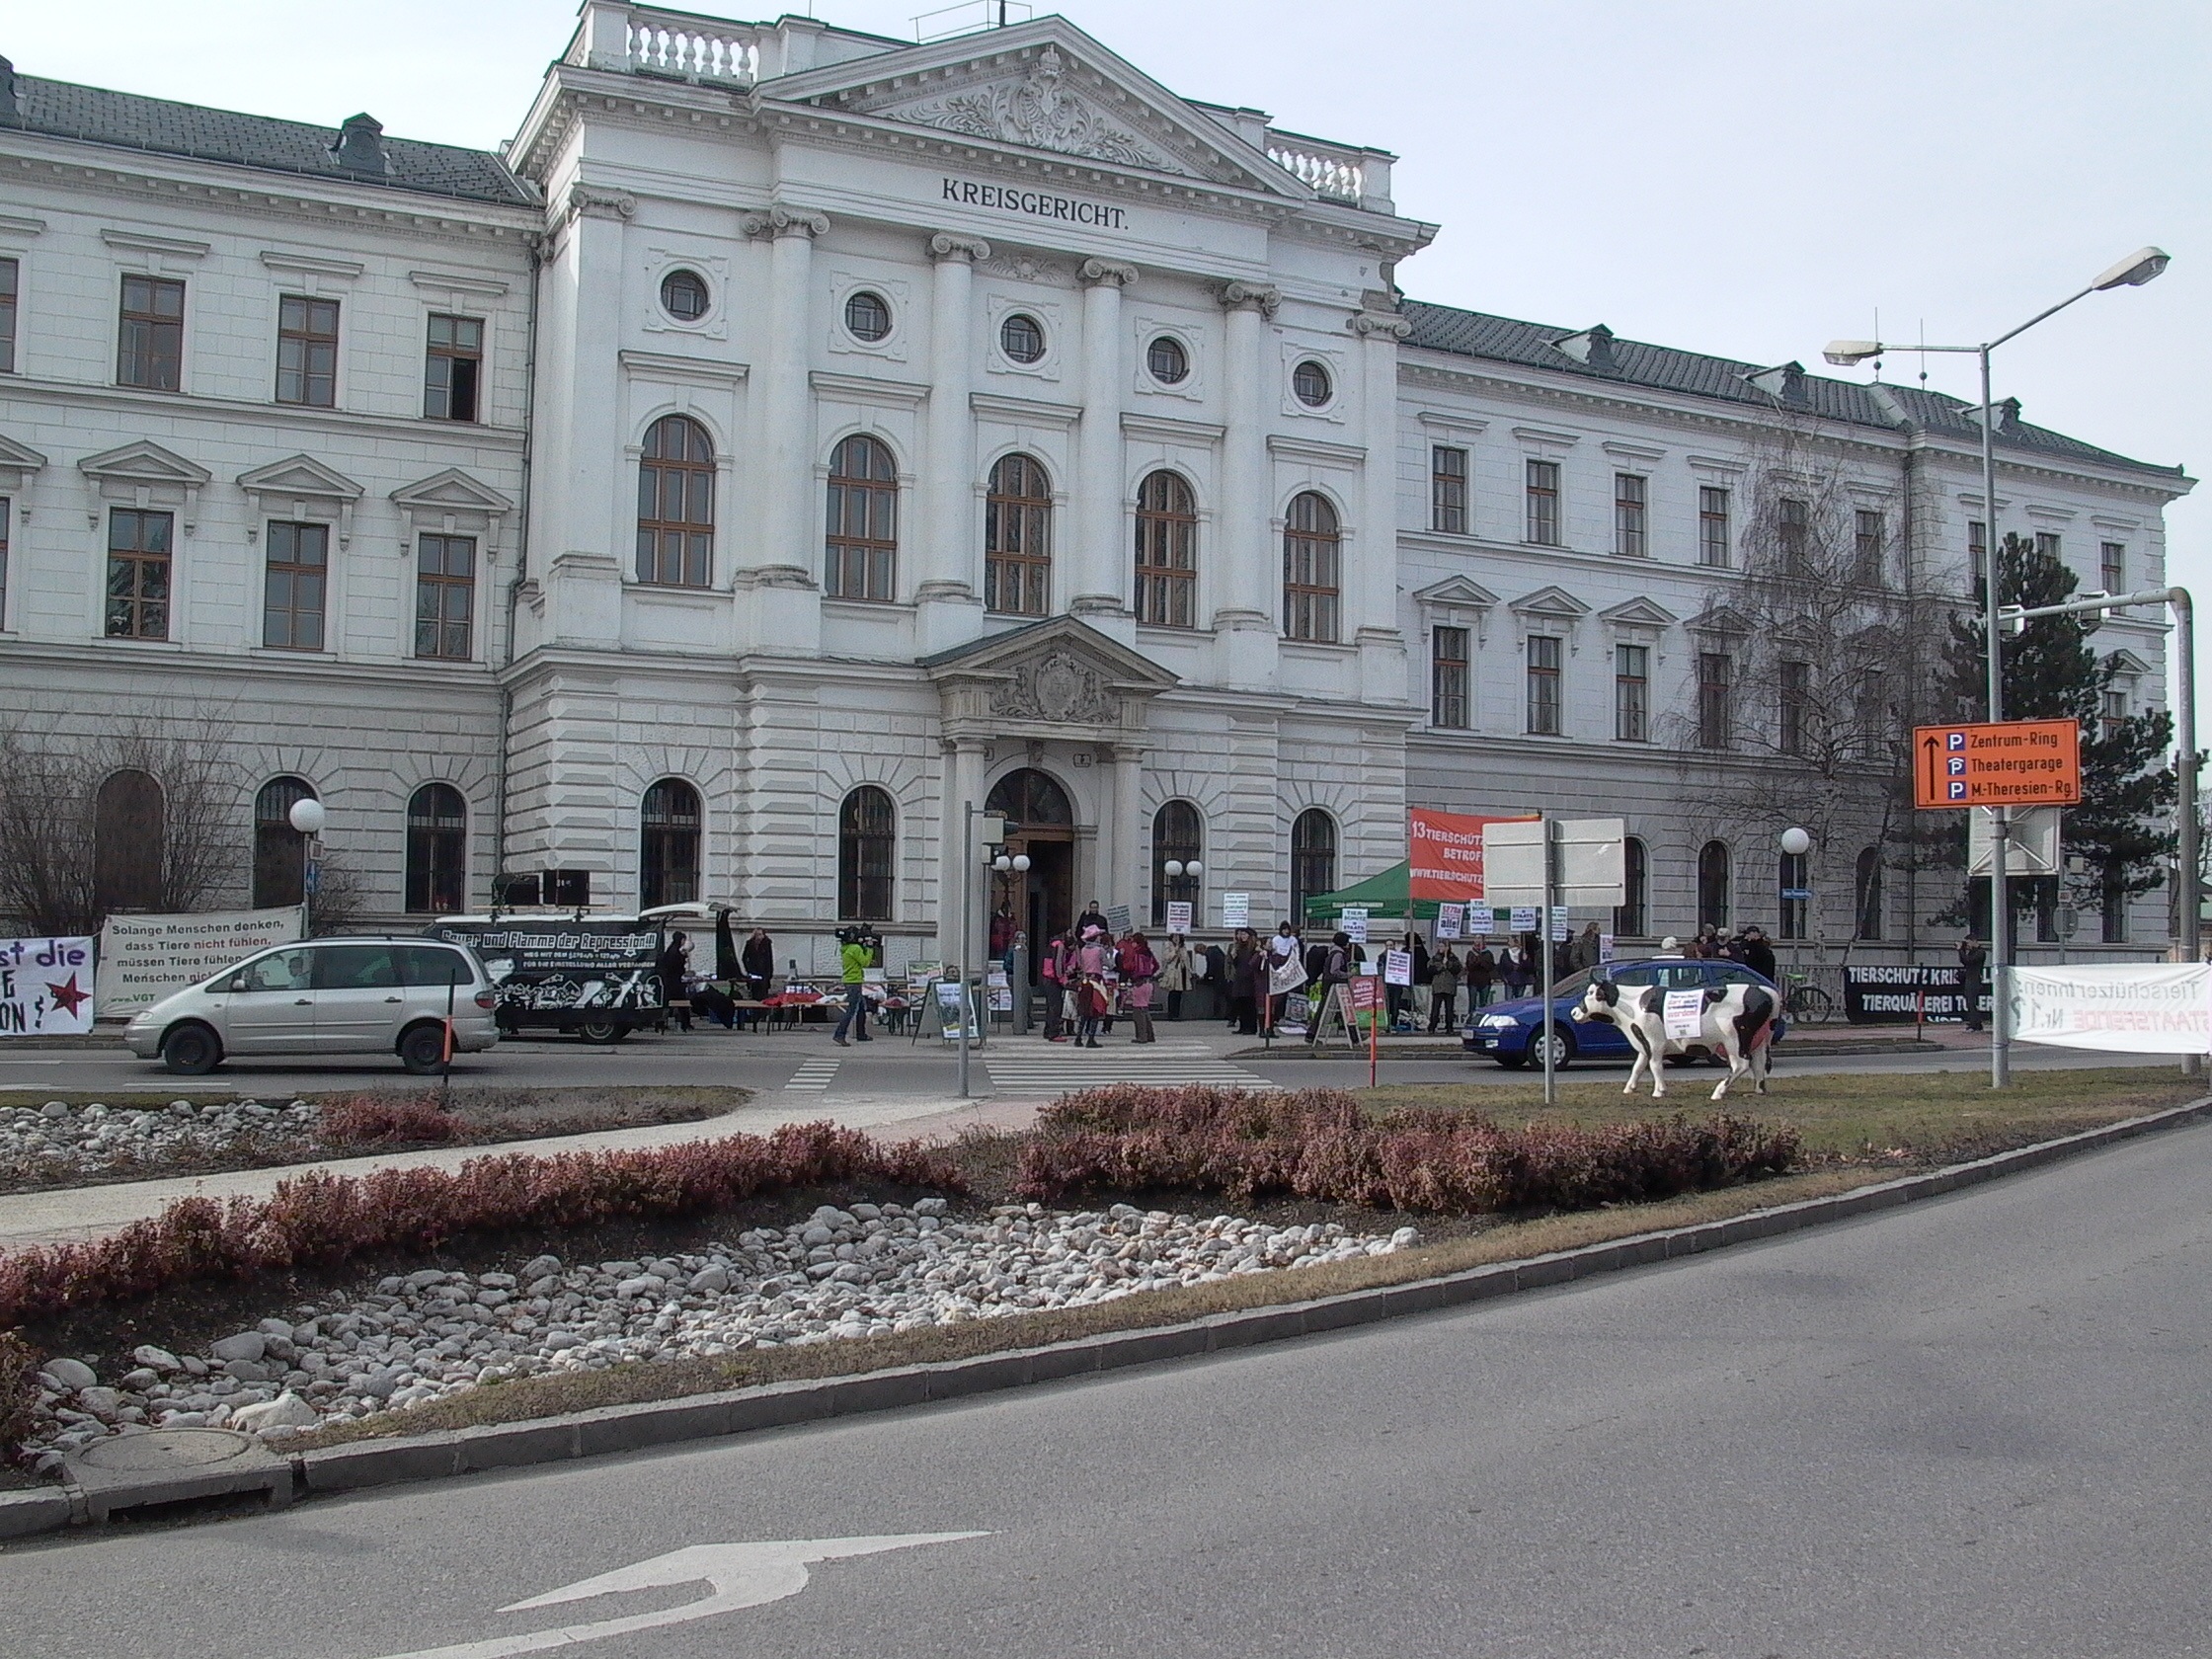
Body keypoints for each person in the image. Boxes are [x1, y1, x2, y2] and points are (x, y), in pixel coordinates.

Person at [1306, 931, 1354, 1046]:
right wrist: (1348, 974)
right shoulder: (1338, 954)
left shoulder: (1333, 952)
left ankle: (1354, 1036)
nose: (1349, 944)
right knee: (1329, 1010)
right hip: (1334, 986)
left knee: (1341, 1011)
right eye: (1347, 941)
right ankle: (1311, 1035)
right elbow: (1335, 971)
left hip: (1331, 985)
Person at [1071, 924, 1114, 1047]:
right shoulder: (1100, 950)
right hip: (1096, 981)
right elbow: (1109, 965)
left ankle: (1079, 1037)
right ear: (1095, 937)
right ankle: (1091, 1038)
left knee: (1085, 1010)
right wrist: (1109, 954)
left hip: (1085, 980)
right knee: (1096, 1010)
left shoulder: (1084, 949)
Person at [830, 927, 872, 1045]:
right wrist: (869, 948)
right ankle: (839, 1034)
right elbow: (865, 962)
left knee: (861, 1008)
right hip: (854, 981)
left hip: (850, 980)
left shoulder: (846, 948)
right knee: (851, 1010)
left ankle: (861, 1033)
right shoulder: (855, 948)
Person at [1119, 929, 1160, 1044]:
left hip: (1139, 983)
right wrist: (1150, 973)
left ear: (1136, 942)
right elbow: (1156, 966)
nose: (1131, 944)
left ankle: (1142, 1036)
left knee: (1138, 1011)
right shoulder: (1148, 952)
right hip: (1148, 983)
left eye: (1133, 942)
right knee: (1145, 1009)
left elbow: (1132, 967)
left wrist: (1124, 963)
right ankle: (1150, 1035)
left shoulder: (1137, 953)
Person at [1226, 927, 1266, 1036]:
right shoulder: (1239, 947)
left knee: (1249, 1004)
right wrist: (1234, 956)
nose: (1242, 936)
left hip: (1250, 978)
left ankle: (1251, 1027)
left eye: (1244, 934)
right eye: (1241, 934)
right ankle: (1243, 1026)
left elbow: (1255, 962)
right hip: (1240, 978)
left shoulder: (1254, 948)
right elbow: (1236, 964)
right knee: (1241, 1003)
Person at [654, 931, 692, 1032]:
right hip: (673, 982)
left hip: (669, 981)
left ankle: (662, 1023)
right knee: (681, 1002)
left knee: (668, 1003)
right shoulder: (675, 952)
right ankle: (683, 1023)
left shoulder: (671, 949)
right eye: (684, 939)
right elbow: (677, 967)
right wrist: (683, 958)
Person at [739, 926, 774, 1031]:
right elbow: (744, 957)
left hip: (764, 973)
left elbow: (769, 959)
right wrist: (749, 970)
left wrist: (769, 973)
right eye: (757, 934)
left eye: (761, 934)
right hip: (753, 973)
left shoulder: (767, 943)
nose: (759, 937)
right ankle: (755, 1018)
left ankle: (761, 1016)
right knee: (754, 996)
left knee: (763, 995)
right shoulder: (749, 944)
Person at [1040, 929, 1068, 1042]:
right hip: (1054, 979)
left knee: (1050, 1006)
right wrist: (1061, 978)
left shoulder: (1051, 945)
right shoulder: (1060, 946)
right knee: (1056, 1007)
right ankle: (1054, 1032)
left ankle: (1048, 1031)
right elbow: (1058, 964)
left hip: (1047, 978)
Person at [1158, 932, 1192, 1021]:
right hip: (1173, 972)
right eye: (1175, 936)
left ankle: (1177, 1014)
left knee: (1179, 993)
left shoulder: (1183, 947)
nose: (1176, 939)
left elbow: (1186, 959)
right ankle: (1171, 1014)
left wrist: (1189, 971)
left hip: (1182, 972)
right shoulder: (1168, 945)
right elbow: (1167, 958)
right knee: (1173, 992)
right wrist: (1175, 950)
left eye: (1178, 936)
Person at [1428, 945, 1462, 1033]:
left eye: (1444, 946)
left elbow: (1457, 969)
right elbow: (1430, 970)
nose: (1442, 948)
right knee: (1435, 1008)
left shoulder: (1453, 958)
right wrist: (1442, 965)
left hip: (1449, 986)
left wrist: (1449, 964)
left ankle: (1449, 1027)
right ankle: (1432, 1026)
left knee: (1449, 1009)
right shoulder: (1435, 958)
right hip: (1438, 986)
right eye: (1440, 946)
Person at [1957, 936, 1988, 1032]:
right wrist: (1961, 951)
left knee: (1971, 1002)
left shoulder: (1980, 952)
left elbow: (1969, 961)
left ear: (1974, 941)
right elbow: (1964, 961)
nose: (1968, 946)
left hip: (1975, 979)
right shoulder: (1972, 952)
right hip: (1969, 978)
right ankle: (1976, 1023)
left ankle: (1974, 1024)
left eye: (1968, 943)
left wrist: (1960, 950)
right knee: (1969, 1002)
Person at [1466, 940, 1497, 1007]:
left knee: (1483, 1004)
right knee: (1472, 1004)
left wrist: (1482, 961)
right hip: (1473, 981)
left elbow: (1491, 967)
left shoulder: (1488, 954)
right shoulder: (1471, 953)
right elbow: (1469, 967)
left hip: (1485, 981)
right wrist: (1477, 961)